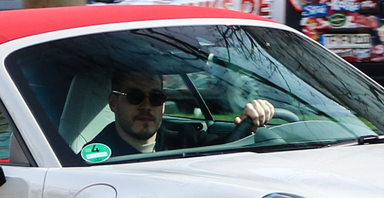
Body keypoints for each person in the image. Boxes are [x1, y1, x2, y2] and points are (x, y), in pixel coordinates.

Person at [85, 69, 276, 161]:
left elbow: (226, 149)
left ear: (164, 104)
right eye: (135, 97)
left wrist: (251, 121)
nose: (146, 106)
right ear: (113, 103)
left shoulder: (185, 138)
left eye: (156, 98)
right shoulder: (96, 155)